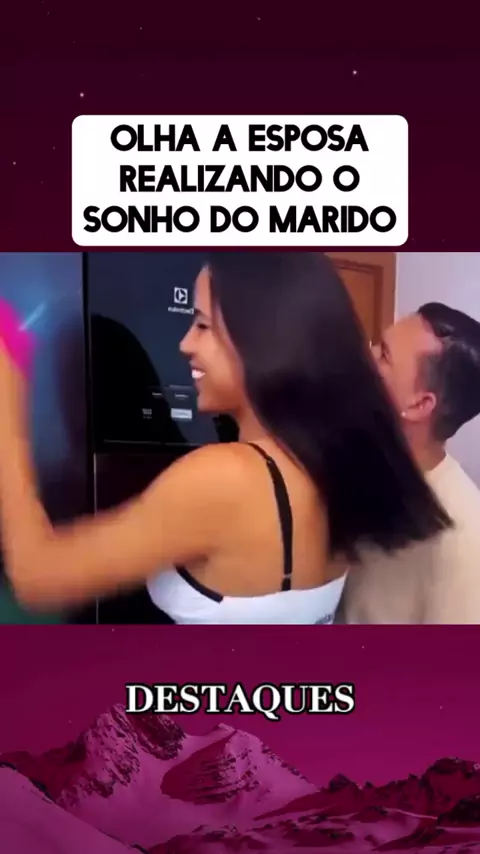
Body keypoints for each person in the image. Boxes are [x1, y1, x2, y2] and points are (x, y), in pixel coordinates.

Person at [0, 254, 451, 624]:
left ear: (261, 339)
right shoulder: (335, 462)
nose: (185, 344)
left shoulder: (225, 478)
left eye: (201, 325)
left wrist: (8, 398)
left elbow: (36, 576)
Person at [341, 302, 480, 624]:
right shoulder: (361, 474)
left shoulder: (465, 541)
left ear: (419, 405)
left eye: (384, 355)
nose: (366, 357)